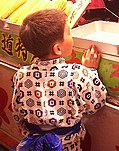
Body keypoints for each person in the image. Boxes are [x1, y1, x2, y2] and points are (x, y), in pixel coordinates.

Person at [11, 9, 107, 151]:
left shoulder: (21, 75)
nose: (71, 36)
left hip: (34, 145)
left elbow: (17, 113)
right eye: (68, 32)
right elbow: (96, 104)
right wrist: (91, 71)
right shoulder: (78, 74)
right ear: (58, 49)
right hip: (67, 146)